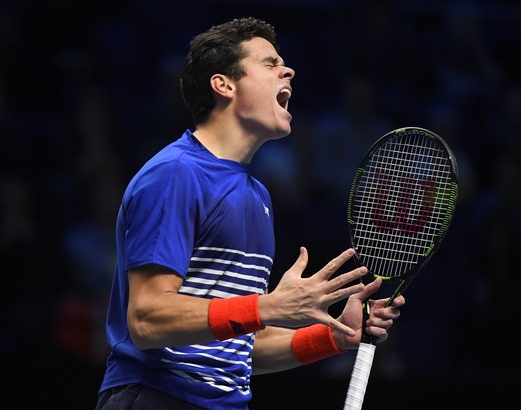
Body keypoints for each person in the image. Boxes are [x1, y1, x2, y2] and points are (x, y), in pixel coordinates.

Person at [95, 17, 405, 410]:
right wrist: (268, 307)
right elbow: (147, 319)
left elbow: (238, 344)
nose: (288, 70)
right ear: (224, 85)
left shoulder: (257, 196)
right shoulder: (176, 174)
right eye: (270, 63)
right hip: (158, 396)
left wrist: (334, 336)